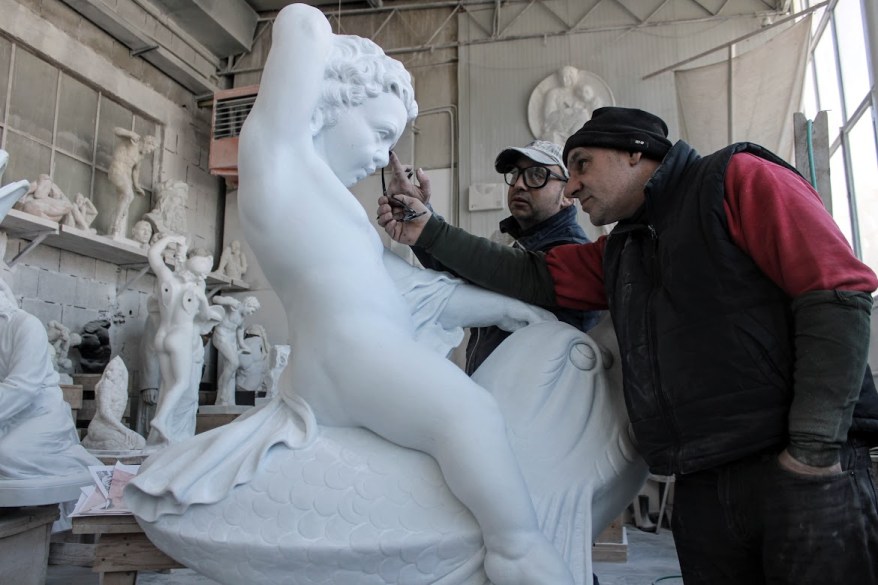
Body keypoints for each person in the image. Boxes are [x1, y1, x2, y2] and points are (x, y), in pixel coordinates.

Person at [378, 106, 878, 585]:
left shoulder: (735, 178)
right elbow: (525, 275)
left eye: (580, 165)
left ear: (636, 152)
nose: (573, 185)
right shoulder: (623, 250)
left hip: (796, 468)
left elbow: (835, 293)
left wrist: (813, 449)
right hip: (701, 475)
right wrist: (429, 230)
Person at [391, 139, 600, 374]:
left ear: (567, 195)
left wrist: (426, 226)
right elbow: (463, 276)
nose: (519, 184)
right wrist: (418, 215)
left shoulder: (567, 252)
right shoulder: (511, 240)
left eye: (536, 175)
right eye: (515, 173)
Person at [145, 235, 217, 447]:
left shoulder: (167, 279)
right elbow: (205, 317)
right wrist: (204, 302)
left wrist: (170, 238)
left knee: (168, 385)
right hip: (180, 339)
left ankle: (160, 433)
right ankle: (160, 421)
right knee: (182, 384)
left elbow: (153, 254)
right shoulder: (196, 289)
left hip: (162, 336)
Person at [108, 127, 159, 240]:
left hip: (126, 176)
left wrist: (137, 186)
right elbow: (116, 130)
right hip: (117, 170)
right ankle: (115, 226)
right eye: (150, 149)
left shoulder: (141, 156)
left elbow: (136, 171)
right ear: (147, 142)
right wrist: (130, 133)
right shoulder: (133, 142)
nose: (149, 152)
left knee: (124, 205)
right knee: (128, 195)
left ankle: (116, 230)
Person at [211, 295, 260, 406]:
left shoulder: (242, 317)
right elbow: (215, 299)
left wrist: (242, 344)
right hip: (221, 336)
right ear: (248, 304)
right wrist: (227, 301)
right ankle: (223, 392)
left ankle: (226, 399)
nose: (251, 313)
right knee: (234, 363)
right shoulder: (234, 305)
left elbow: (240, 329)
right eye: (252, 310)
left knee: (232, 371)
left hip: (231, 340)